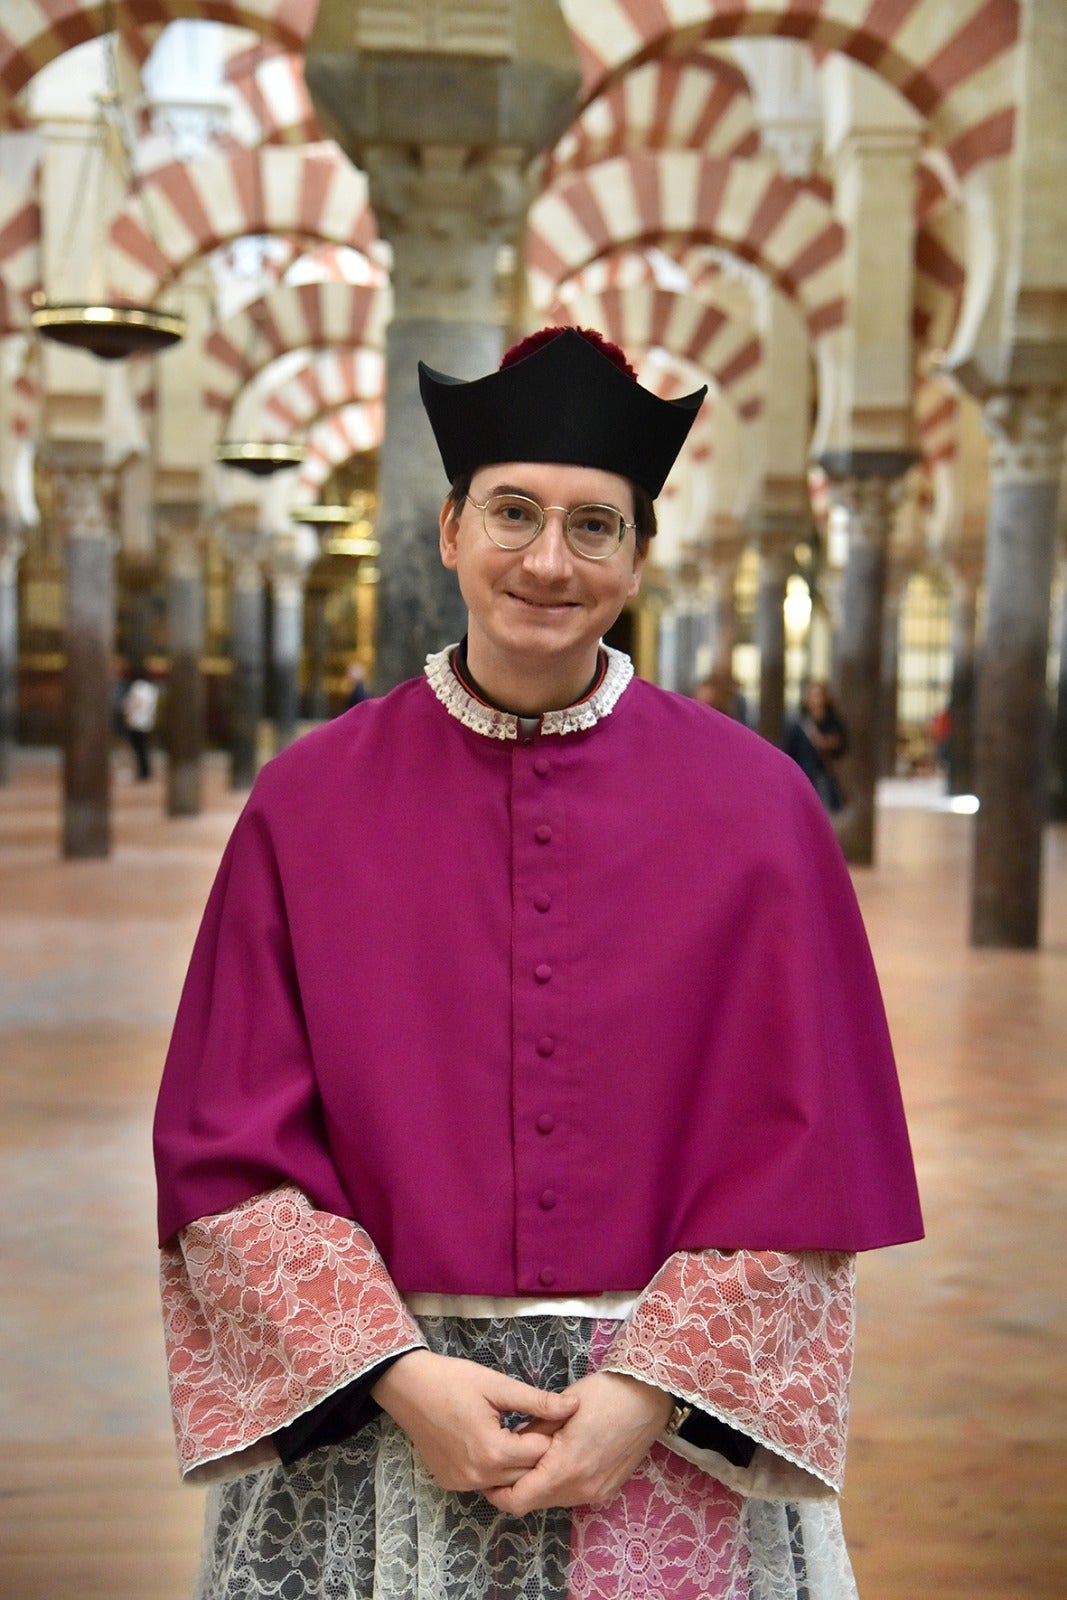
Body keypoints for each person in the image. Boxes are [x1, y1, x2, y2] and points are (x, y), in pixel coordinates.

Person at [153, 326, 922, 1600]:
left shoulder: (760, 809)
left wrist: (642, 1396)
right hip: (389, 1427)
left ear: (638, 557)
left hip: (667, 1430)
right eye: (511, 514)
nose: (547, 562)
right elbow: (226, 1159)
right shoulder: (307, 804)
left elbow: (810, 1168)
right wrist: (402, 1379)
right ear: (449, 530)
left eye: (593, 526)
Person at [785, 680, 849, 814]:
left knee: (828, 814)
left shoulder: (833, 723)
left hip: (826, 776)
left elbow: (843, 747)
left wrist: (831, 743)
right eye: (813, 695)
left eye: (819, 695)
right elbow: (789, 750)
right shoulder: (798, 724)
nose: (816, 700)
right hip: (805, 776)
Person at [119, 664, 159, 781]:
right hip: (147, 722)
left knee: (138, 748)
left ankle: (142, 772)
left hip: (136, 721)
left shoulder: (138, 686)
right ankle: (145, 771)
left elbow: (136, 702)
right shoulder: (151, 688)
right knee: (143, 748)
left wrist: (127, 712)